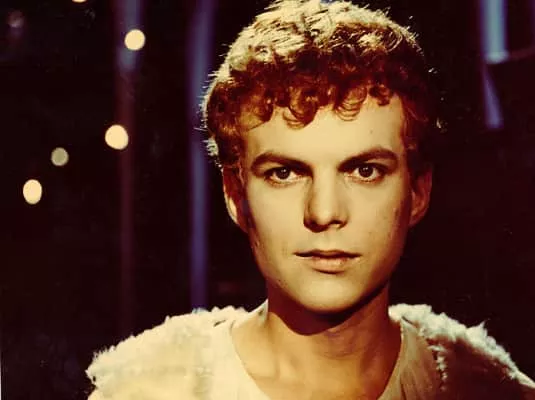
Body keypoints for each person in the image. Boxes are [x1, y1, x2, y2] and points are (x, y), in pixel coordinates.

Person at [86, 0, 535, 398]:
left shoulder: (489, 391)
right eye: (285, 173)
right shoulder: (150, 393)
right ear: (235, 195)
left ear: (417, 191)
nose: (324, 213)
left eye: (364, 171)